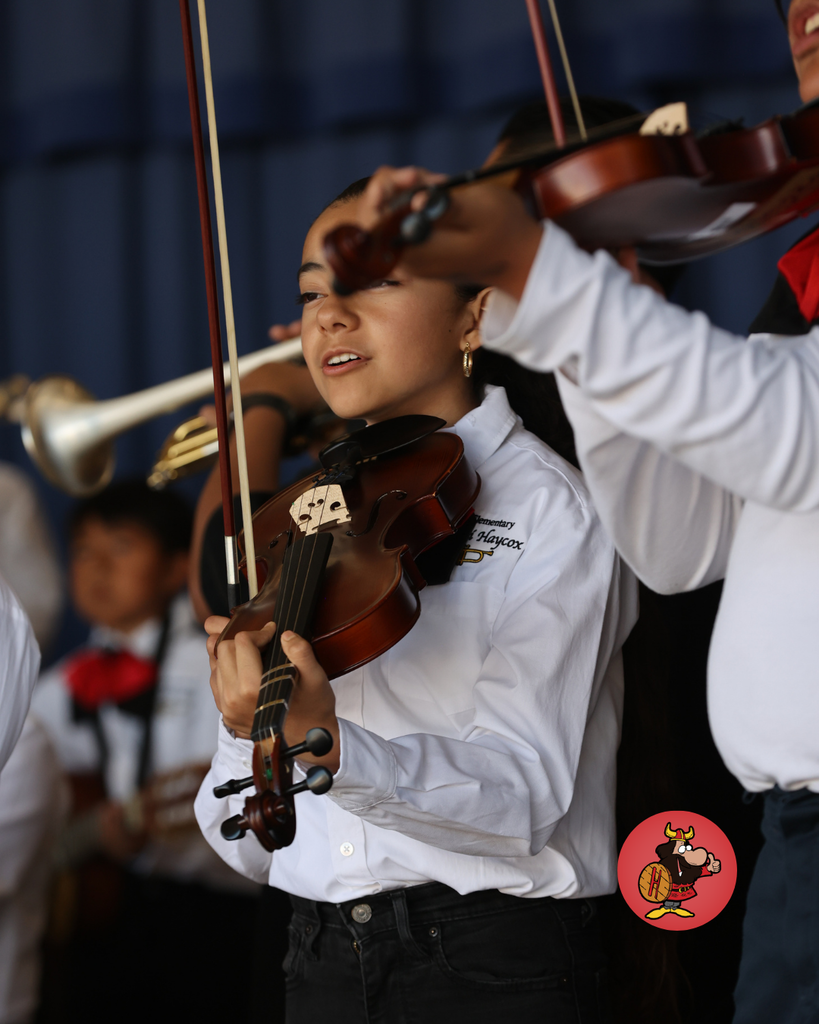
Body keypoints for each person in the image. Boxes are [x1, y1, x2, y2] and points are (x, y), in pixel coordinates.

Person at [341, 2, 819, 1020]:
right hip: (790, 828)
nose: (805, 15)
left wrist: (556, 282)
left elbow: (791, 438)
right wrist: (588, 288)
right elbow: (680, 543)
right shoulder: (797, 283)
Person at [194, 177, 637, 1024]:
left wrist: (329, 751)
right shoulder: (308, 516)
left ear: (472, 318)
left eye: (373, 281)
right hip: (316, 961)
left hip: (487, 969)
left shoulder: (551, 506)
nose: (328, 316)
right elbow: (238, 839)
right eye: (311, 294)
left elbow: (527, 794)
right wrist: (247, 729)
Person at [30, 480, 259, 1024]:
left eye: (122, 546)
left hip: (218, 916)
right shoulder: (61, 685)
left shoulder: (220, 660)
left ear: (178, 567)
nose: (96, 567)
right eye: (83, 550)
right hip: (110, 914)